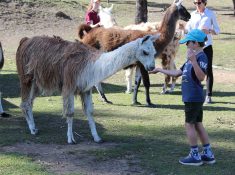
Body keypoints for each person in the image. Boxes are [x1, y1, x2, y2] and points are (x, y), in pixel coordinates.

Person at [149, 29, 216, 166]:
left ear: (196, 43)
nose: (186, 45)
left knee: (189, 124)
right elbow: (177, 73)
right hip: (191, 97)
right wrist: (160, 70)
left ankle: (195, 155)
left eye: (188, 43)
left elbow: (202, 77)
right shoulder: (190, 59)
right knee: (197, 124)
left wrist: (194, 61)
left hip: (193, 97)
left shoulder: (201, 57)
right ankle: (208, 154)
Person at [185, 0, 220, 104]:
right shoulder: (192, 15)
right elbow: (188, 29)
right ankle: (194, 94)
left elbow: (217, 30)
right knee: (192, 69)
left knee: (208, 70)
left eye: (199, 2)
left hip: (207, 46)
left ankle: (208, 96)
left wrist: (209, 31)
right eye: (195, 3)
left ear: (204, 3)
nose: (197, 5)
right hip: (195, 47)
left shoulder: (210, 14)